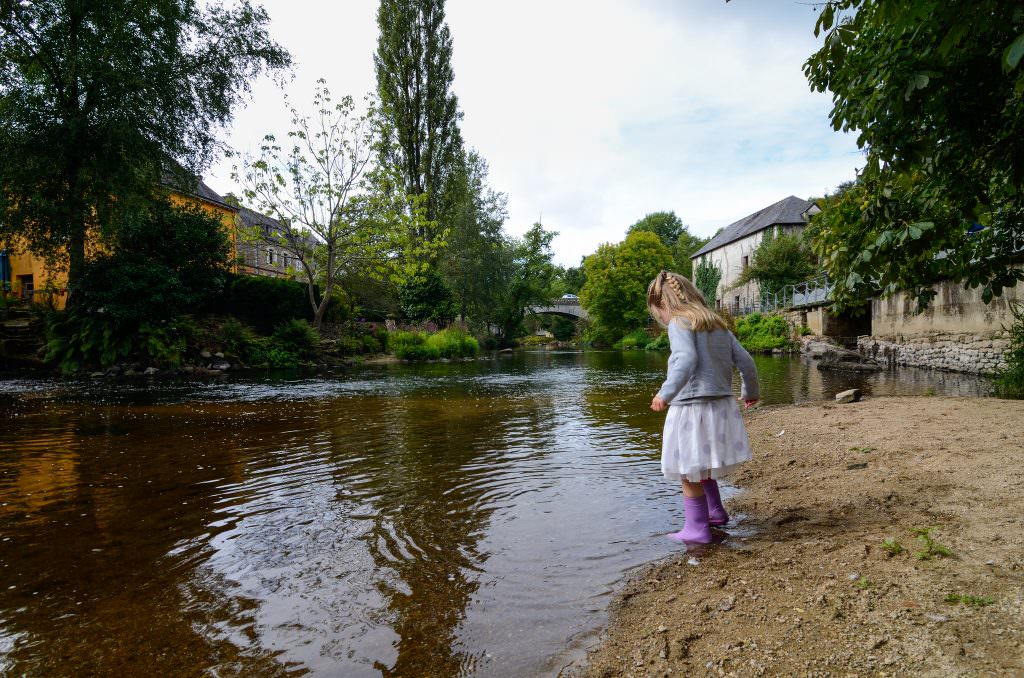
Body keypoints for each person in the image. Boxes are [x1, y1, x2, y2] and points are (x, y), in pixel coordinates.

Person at [647, 270, 760, 544]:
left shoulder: (679, 322)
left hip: (691, 407)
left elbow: (686, 359)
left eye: (657, 313)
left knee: (687, 470)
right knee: (703, 465)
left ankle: (697, 529)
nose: (661, 320)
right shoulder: (718, 325)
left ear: (664, 304)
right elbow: (746, 361)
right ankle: (716, 511)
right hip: (721, 406)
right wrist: (750, 392)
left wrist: (665, 393)